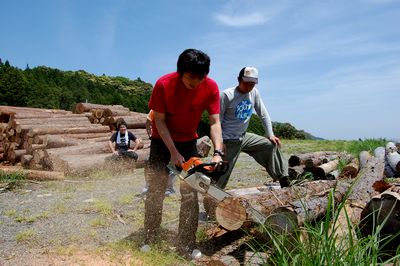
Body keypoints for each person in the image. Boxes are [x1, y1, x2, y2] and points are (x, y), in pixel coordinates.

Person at [143, 48, 224, 256]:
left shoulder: (211, 87)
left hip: (189, 141)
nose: (195, 83)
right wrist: (172, 151)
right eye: (190, 78)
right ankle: (150, 236)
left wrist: (218, 152)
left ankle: (186, 244)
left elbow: (215, 122)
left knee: (190, 192)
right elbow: (159, 120)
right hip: (162, 142)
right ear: (180, 72)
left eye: (200, 78)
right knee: (156, 189)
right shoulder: (164, 84)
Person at [218, 66, 289, 188]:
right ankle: (213, 195)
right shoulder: (226, 95)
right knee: (221, 173)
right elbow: (216, 122)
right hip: (228, 140)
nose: (249, 87)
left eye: (252, 84)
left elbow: (263, 113)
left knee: (270, 145)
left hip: (243, 137)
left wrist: (270, 134)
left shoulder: (254, 93)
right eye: (246, 83)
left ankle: (285, 180)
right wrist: (219, 144)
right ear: (238, 79)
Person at [142, 109, 176, 196]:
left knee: (171, 165)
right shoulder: (154, 110)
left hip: (170, 140)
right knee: (151, 164)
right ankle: (149, 186)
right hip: (158, 140)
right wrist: (150, 135)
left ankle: (169, 188)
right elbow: (148, 122)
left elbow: (147, 123)